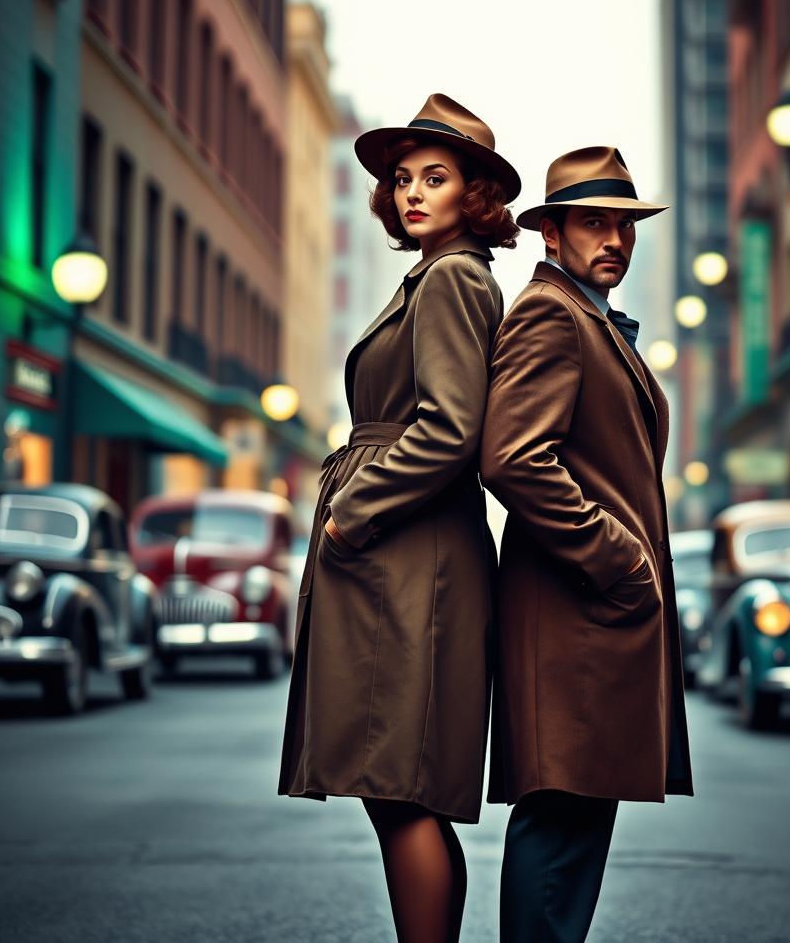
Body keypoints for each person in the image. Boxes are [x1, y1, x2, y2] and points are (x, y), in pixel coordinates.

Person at [278, 93, 521, 943]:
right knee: (397, 790)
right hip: (402, 551)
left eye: (438, 177)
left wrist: (353, 514)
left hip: (405, 553)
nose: (412, 192)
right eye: (404, 178)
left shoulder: (454, 277)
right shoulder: (435, 275)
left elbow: (452, 429)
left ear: (476, 195)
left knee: (401, 786)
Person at [480, 146, 695, 943]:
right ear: (552, 236)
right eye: (593, 223)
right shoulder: (551, 314)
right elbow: (512, 457)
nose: (614, 239)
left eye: (624, 225)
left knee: (576, 827)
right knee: (560, 822)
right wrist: (619, 559)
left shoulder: (592, 320)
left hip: (591, 621)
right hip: (574, 615)